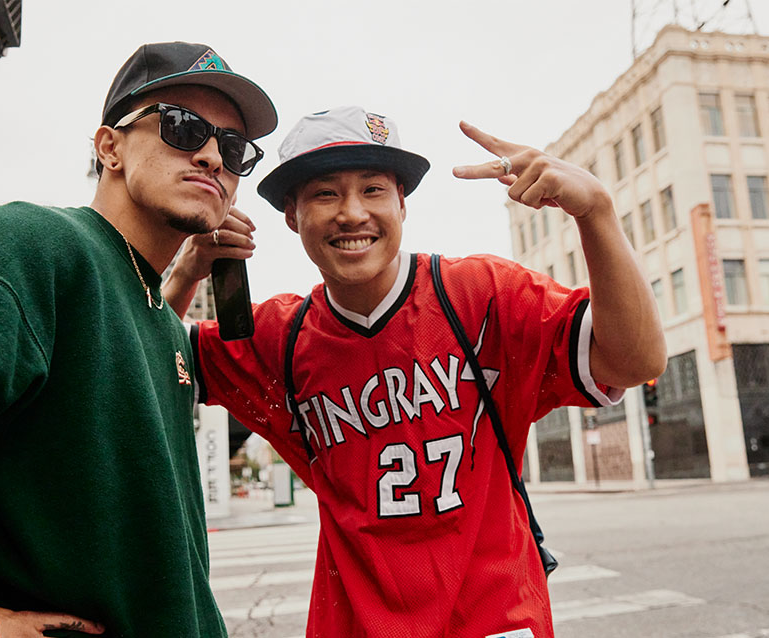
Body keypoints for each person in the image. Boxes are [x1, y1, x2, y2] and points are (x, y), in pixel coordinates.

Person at [0, 41, 276, 638]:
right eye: (183, 127)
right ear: (109, 146)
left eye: (235, 146)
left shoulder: (154, 312)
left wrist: (185, 275)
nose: (214, 155)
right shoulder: (36, 247)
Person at [163, 105, 666, 638]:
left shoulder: (480, 296)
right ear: (292, 214)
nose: (352, 213)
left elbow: (636, 362)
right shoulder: (276, 338)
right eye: (325, 193)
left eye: (374, 189)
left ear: (403, 204)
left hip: (493, 621)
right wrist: (186, 272)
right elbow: (147, 360)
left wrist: (598, 214)